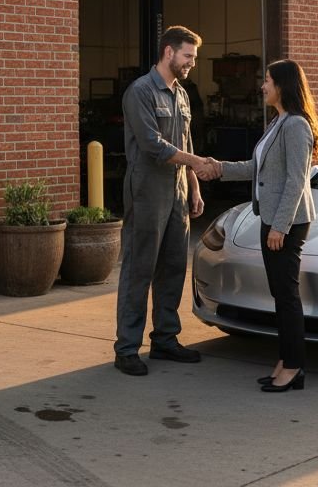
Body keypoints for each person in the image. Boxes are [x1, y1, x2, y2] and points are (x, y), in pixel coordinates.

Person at [209, 59, 318, 392]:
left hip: (285, 223)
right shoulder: (279, 122)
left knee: (286, 296)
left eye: (268, 80)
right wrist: (219, 168)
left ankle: (293, 366)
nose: (263, 86)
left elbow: (295, 180)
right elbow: (258, 169)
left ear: (284, 86)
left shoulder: (296, 126)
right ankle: (286, 360)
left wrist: (280, 227)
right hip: (272, 219)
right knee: (280, 294)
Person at [114, 26, 221, 376]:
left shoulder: (182, 94)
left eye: (193, 57)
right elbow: (152, 145)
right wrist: (195, 164)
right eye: (188, 56)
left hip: (177, 189)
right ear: (168, 52)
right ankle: (127, 348)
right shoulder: (140, 92)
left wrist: (194, 187)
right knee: (139, 267)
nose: (192, 63)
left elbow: (185, 142)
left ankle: (165, 339)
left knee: (174, 265)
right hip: (147, 188)